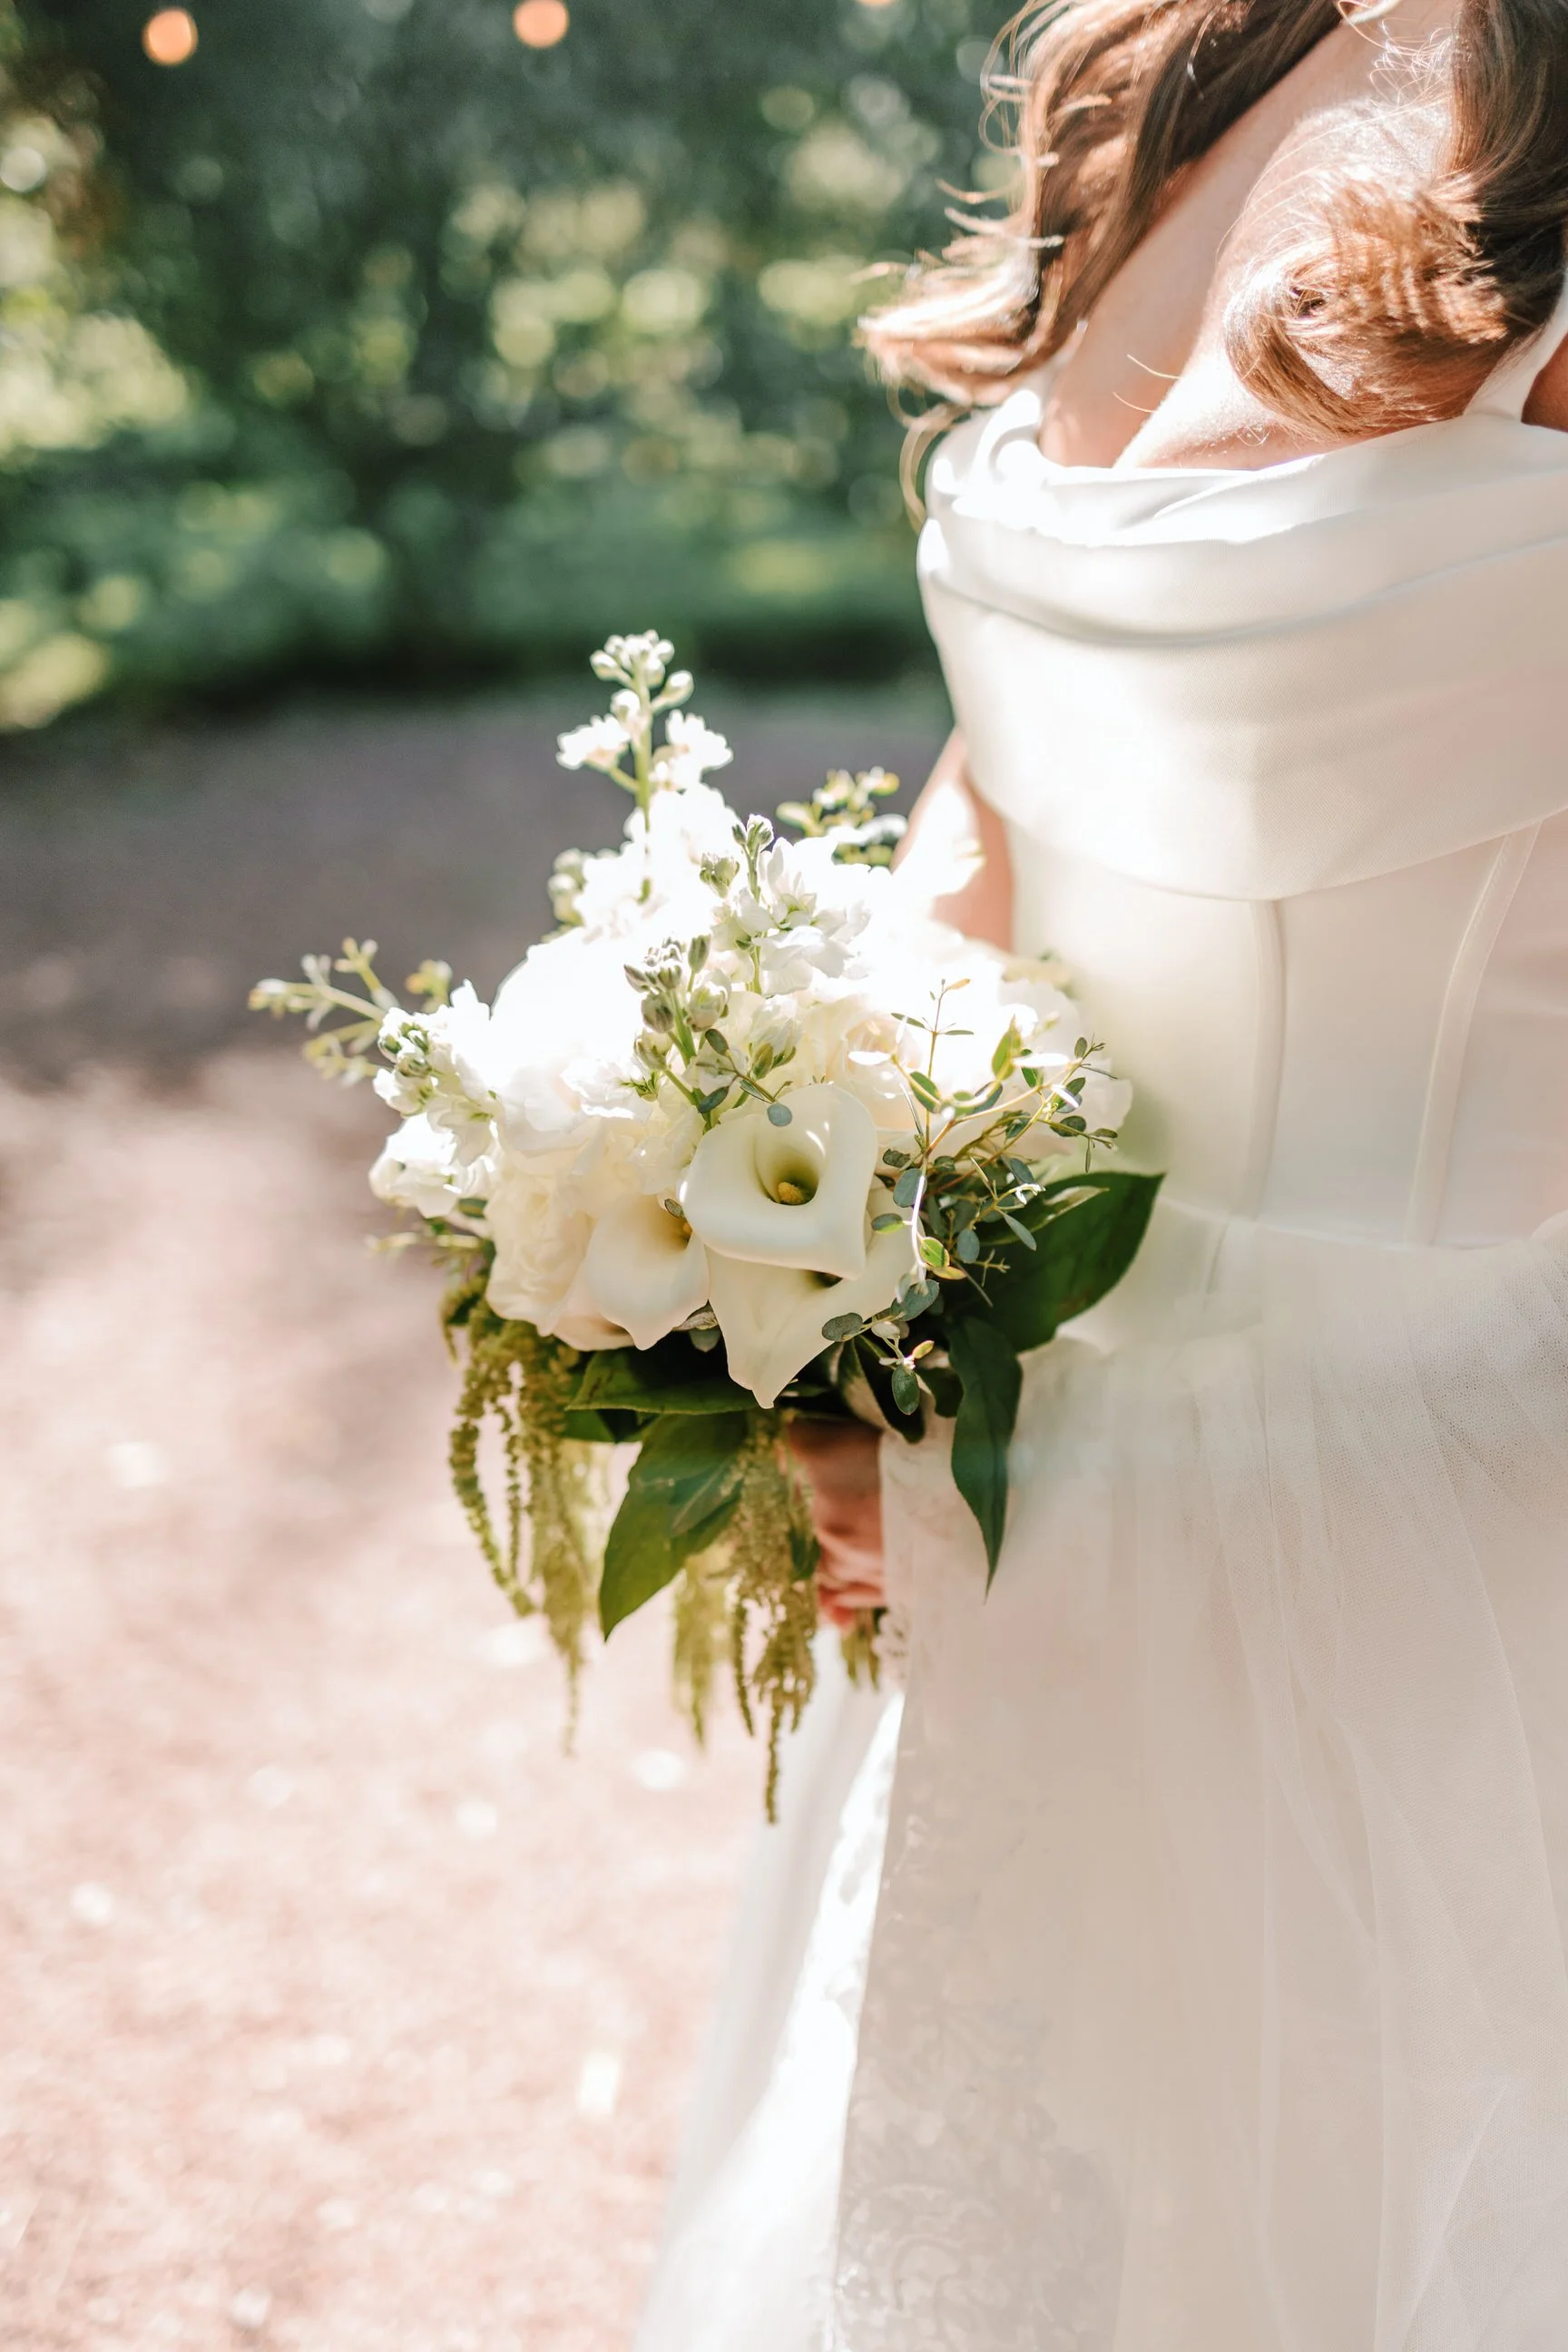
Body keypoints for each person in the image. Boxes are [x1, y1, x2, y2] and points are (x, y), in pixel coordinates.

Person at [640, 0, 1568, 2342]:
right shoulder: (1177, 64)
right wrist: (845, 1286)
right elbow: (1000, 798)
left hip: (1471, 1582)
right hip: (1052, 1519)